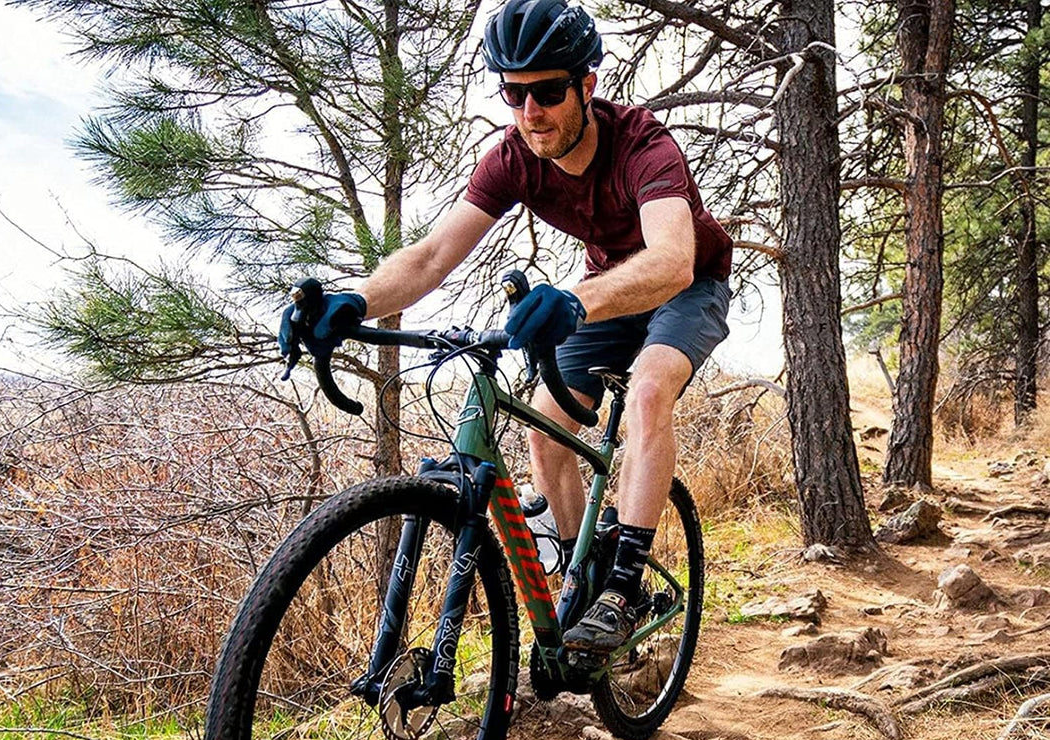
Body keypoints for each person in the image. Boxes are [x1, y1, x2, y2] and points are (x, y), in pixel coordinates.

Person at [280, 0, 733, 663]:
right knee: (544, 431)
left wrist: (573, 301)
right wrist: (357, 299)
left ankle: (626, 587)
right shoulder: (512, 158)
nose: (530, 112)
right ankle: (585, 585)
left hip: (687, 283)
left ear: (587, 84)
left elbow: (671, 260)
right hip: (607, 292)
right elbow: (433, 257)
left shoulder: (642, 142)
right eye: (514, 93)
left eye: (548, 92)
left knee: (648, 389)